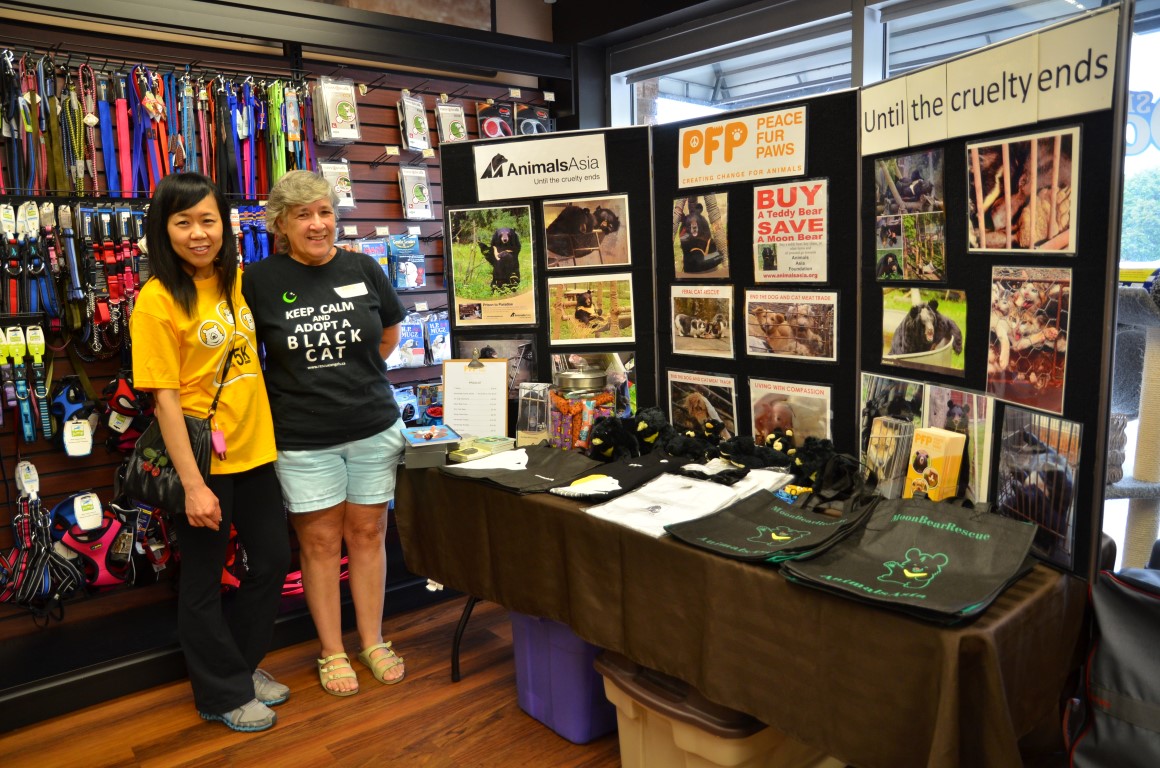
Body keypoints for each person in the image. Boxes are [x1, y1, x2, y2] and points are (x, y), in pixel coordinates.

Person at [130, 173, 290, 732]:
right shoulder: (155, 302)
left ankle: (238, 667)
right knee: (201, 581)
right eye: (183, 222)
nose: (198, 233)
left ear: (225, 224)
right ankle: (220, 693)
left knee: (272, 562)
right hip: (203, 463)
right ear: (164, 229)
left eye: (208, 220)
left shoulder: (233, 280)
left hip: (255, 452)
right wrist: (194, 485)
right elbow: (165, 403)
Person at [242, 170, 408, 697]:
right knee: (318, 543)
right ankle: (332, 650)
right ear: (280, 224)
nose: (317, 224)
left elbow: (389, 333)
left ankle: (372, 640)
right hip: (301, 437)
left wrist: (355, 377)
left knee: (369, 534)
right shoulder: (257, 281)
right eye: (303, 215)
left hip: (372, 426)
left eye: (325, 212)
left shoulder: (364, 267)